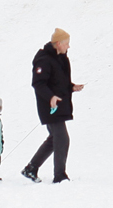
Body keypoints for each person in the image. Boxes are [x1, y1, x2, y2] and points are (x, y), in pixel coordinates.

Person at [22, 27, 82, 183]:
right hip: (50, 107)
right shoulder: (43, 59)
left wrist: (71, 87)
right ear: (58, 43)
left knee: (54, 139)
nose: (69, 46)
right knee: (62, 139)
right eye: (67, 43)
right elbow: (38, 83)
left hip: (59, 105)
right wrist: (51, 97)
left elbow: (59, 83)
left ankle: (31, 168)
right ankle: (60, 176)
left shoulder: (62, 58)